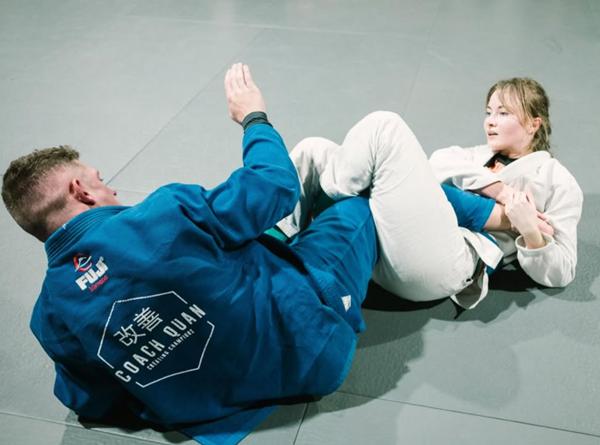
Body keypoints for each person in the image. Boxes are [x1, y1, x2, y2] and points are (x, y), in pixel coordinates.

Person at [1, 64, 378, 441]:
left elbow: (89, 401)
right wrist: (253, 117)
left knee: (260, 221)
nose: (112, 191)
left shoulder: (49, 317)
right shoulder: (165, 215)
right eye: (101, 180)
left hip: (211, 415)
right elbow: (275, 184)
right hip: (314, 355)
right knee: (355, 208)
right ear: (81, 191)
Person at [276, 78, 582, 309]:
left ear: (533, 123)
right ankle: (271, 239)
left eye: (503, 113)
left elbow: (562, 270)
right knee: (313, 149)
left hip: (448, 260)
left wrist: (529, 230)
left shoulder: (556, 180)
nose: (490, 121)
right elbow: (436, 164)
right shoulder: (475, 155)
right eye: (488, 112)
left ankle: (330, 197)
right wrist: (501, 195)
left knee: (385, 126)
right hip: (392, 244)